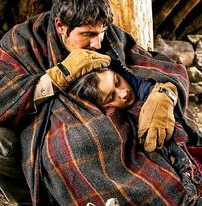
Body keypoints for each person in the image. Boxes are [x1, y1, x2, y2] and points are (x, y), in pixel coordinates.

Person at [0, 0, 200, 205]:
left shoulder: (106, 36)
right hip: (33, 125)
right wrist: (59, 76)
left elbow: (149, 67)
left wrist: (164, 95)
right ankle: (34, 197)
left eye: (101, 32)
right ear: (61, 26)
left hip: (100, 122)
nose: (98, 43)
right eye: (88, 35)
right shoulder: (21, 42)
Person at [68, 67, 202, 205]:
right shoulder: (108, 122)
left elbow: (163, 80)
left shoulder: (136, 80)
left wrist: (163, 95)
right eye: (111, 97)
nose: (123, 93)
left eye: (117, 81)